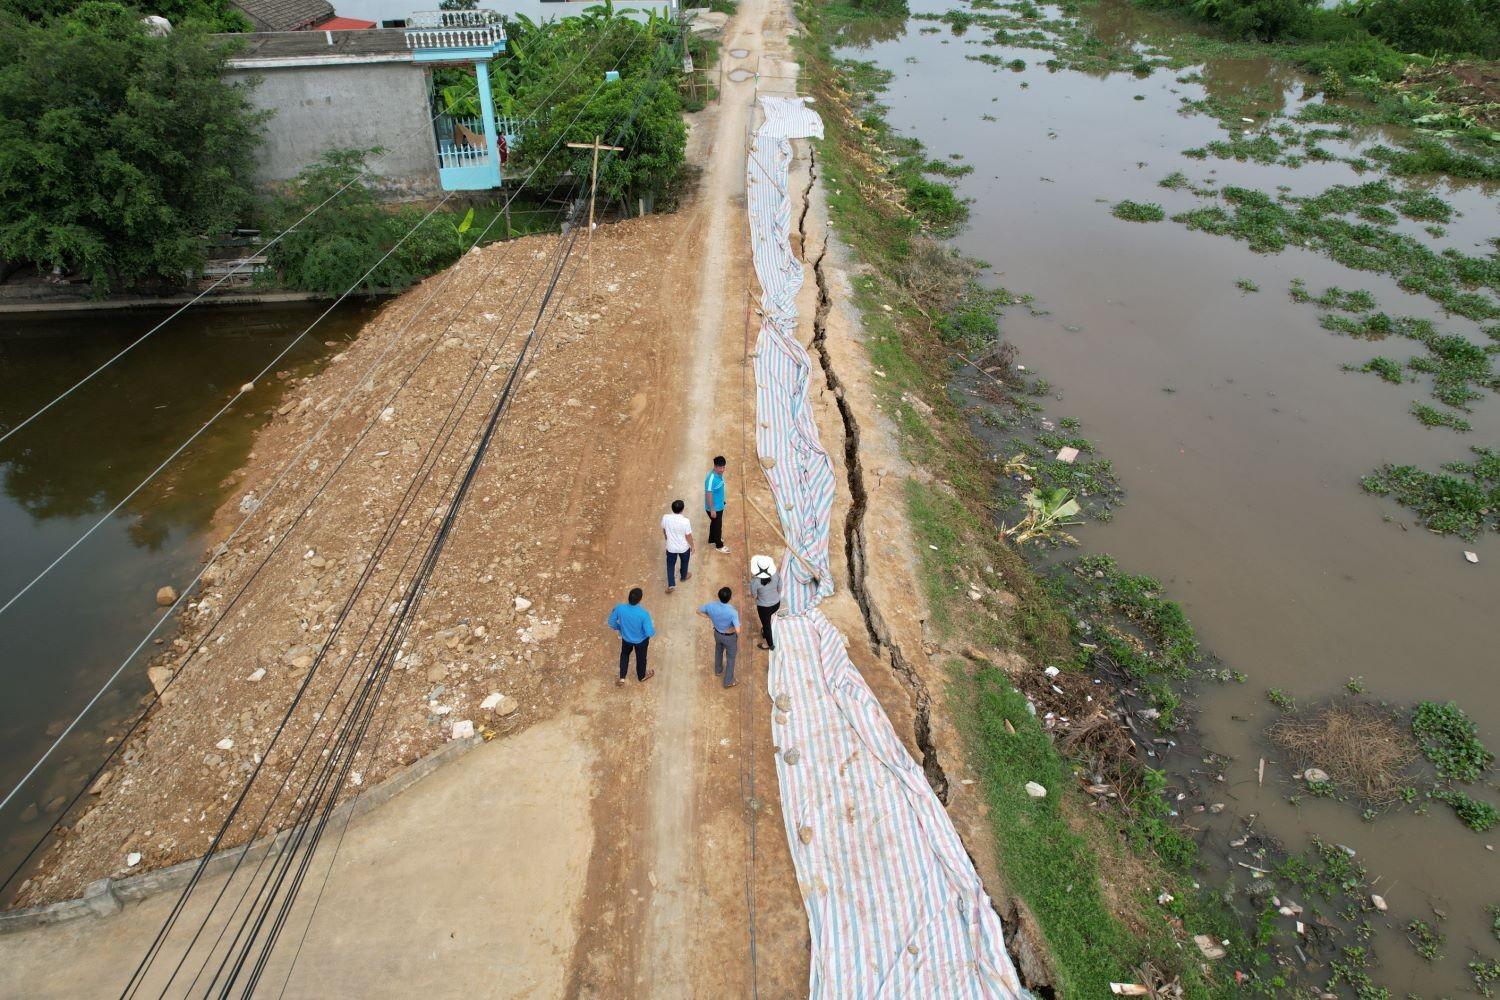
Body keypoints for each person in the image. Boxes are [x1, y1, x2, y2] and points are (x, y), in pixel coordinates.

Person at [606, 587, 655, 686]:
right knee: (641, 658)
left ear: (628, 597)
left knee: (625, 654)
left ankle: (622, 678)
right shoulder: (644, 614)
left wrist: (620, 628)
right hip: (641, 642)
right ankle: (641, 676)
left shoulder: (619, 608)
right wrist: (653, 631)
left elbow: (611, 622)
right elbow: (649, 632)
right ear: (640, 600)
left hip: (626, 639)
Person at [696, 586, 740, 688]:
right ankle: (728, 681)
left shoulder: (711, 606)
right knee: (731, 658)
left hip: (717, 634)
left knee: (718, 651)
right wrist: (731, 629)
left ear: (718, 596)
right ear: (730, 598)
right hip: (729, 638)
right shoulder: (733, 612)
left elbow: (698, 611)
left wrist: (709, 617)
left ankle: (718, 670)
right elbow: (738, 630)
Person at [748, 554, 781, 652]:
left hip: (764, 608)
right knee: (767, 621)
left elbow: (754, 595)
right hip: (776, 604)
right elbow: (780, 587)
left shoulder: (755, 582)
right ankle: (766, 631)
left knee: (766, 625)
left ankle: (769, 645)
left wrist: (761, 598)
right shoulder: (776, 574)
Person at [661, 499, 694, 593]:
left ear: (672, 509)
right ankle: (684, 576)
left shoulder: (666, 517)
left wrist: (666, 537)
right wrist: (692, 546)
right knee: (684, 561)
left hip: (671, 547)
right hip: (683, 548)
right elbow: (688, 536)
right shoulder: (685, 521)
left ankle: (671, 584)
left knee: (670, 565)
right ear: (682, 510)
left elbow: (664, 529)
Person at [704, 455, 729, 554]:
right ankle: (719, 545)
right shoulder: (711, 479)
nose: (722, 469)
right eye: (720, 467)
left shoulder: (718, 474)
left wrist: (722, 501)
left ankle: (712, 539)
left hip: (719, 505)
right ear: (715, 467)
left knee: (714, 523)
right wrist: (712, 509)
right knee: (718, 526)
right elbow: (708, 494)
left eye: (723, 467)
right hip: (714, 508)